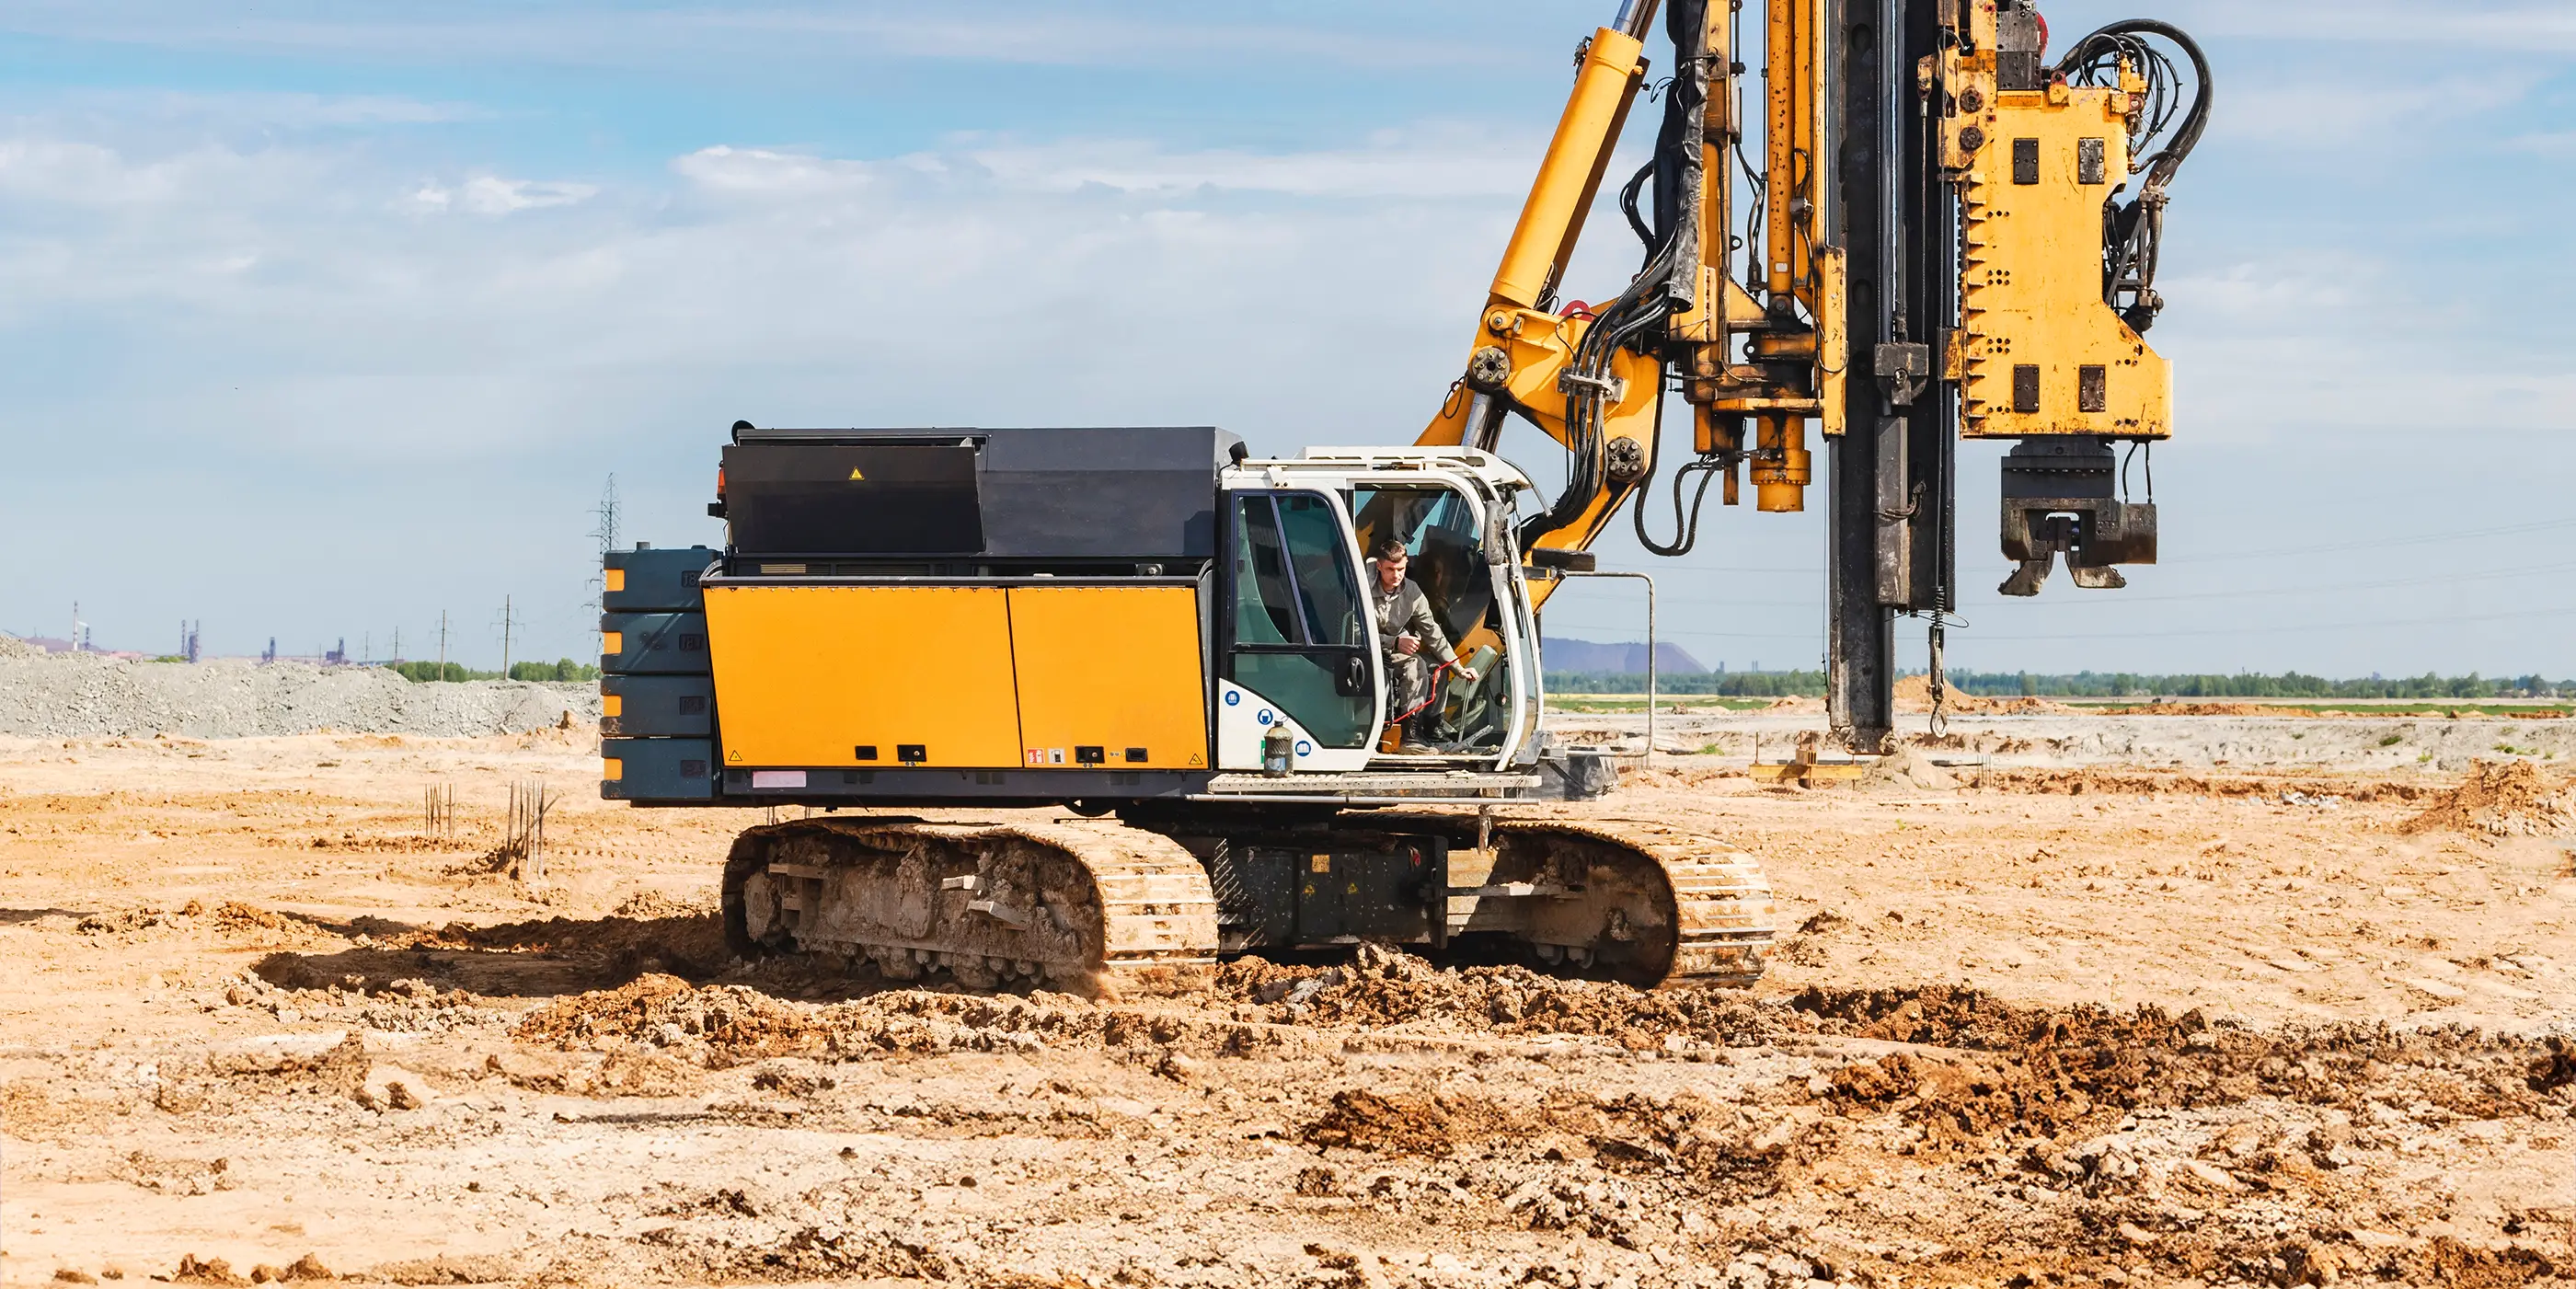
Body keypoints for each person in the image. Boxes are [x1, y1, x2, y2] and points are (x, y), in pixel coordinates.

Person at [1367, 536, 1476, 749]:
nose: (1396, 575)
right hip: (1365, 651)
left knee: (1437, 668)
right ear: (1379, 566)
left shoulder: (1413, 592)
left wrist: (1458, 667)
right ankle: (1409, 737)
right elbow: (1352, 631)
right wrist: (1395, 642)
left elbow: (1432, 632)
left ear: (1406, 565)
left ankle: (1429, 729)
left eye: (1400, 569)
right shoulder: (1361, 587)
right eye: (1390, 569)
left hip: (1392, 652)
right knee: (1415, 664)